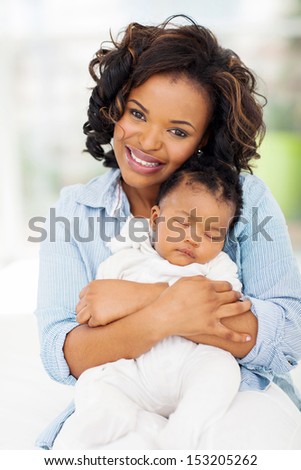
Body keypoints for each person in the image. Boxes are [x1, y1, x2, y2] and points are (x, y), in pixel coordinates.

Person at [35, 16, 301, 450]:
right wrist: (171, 313)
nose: (148, 142)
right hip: (123, 392)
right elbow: (65, 354)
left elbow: (287, 336)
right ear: (115, 107)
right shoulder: (75, 211)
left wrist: (146, 300)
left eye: (177, 131)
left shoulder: (244, 197)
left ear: (202, 140)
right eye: (137, 114)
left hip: (233, 393)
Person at [53, 157, 244, 450]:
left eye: (211, 233)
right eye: (182, 222)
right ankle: (110, 421)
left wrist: (138, 300)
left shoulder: (218, 268)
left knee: (223, 369)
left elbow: (223, 311)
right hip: (133, 371)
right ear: (155, 219)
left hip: (189, 367)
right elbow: (96, 312)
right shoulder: (125, 260)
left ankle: (184, 430)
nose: (192, 239)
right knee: (95, 381)